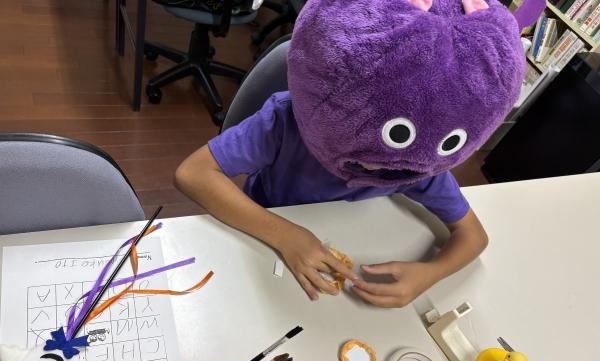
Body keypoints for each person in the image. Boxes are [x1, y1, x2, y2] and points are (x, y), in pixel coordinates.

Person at [175, 0, 534, 307]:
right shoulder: (285, 123)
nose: (379, 168)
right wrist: (286, 235)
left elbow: (474, 236)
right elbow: (192, 174)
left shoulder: (413, 164)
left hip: (331, 256)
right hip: (263, 232)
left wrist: (429, 274)